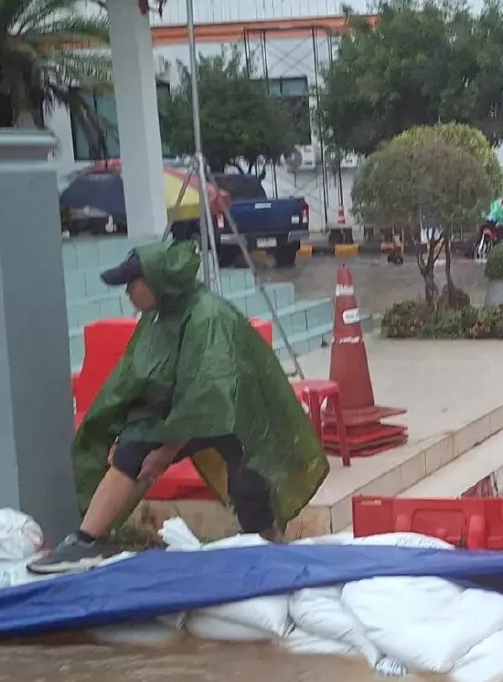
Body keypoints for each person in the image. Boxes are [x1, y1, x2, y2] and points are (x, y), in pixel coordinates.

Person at [30, 240, 330, 574]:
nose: (127, 291)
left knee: (251, 492)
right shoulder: (160, 316)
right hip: (198, 412)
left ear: (156, 281)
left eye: (132, 283)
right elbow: (140, 379)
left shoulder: (207, 317)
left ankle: (273, 561)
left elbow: (208, 397)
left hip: (245, 414)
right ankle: (85, 541)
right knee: (132, 450)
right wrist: (124, 429)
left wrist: (166, 451)